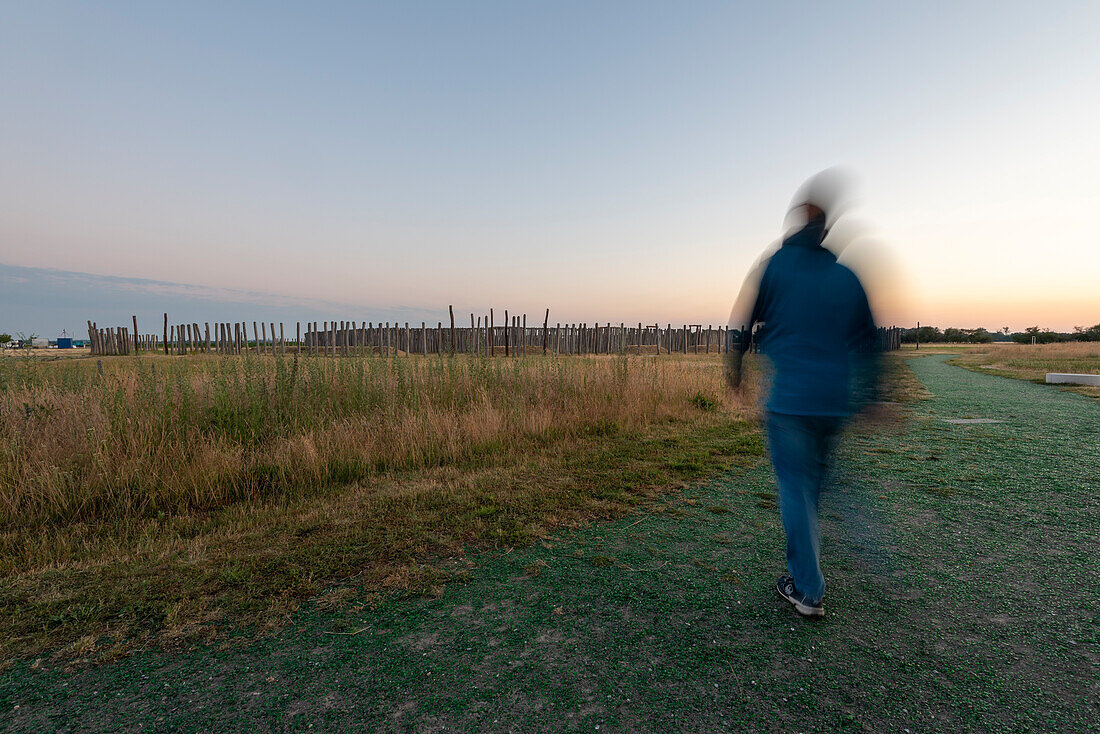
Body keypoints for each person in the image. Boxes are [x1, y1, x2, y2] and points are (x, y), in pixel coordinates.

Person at [725, 170, 880, 618]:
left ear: (796, 222)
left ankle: (808, 590)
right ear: (826, 228)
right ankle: (813, 569)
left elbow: (745, 319)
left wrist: (733, 367)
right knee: (811, 488)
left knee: (795, 490)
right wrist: (875, 395)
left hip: (790, 401)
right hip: (834, 403)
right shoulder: (846, 275)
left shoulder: (775, 264)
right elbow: (869, 339)